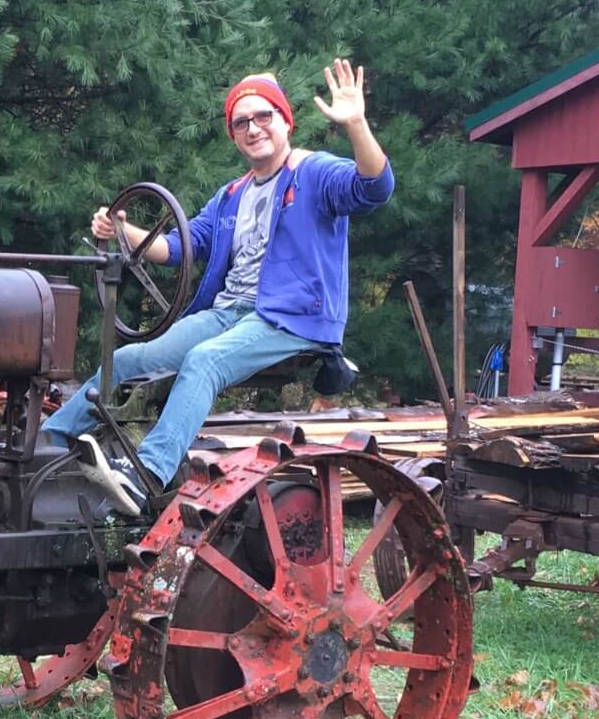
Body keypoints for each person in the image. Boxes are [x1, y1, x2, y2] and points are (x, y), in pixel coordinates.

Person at [41, 59, 394, 514]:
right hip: (230, 313)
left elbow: (375, 188)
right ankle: (47, 446)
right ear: (234, 135)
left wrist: (357, 123)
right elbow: (175, 247)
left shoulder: (314, 173)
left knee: (204, 362)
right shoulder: (231, 195)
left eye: (263, 116)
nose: (253, 128)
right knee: (127, 360)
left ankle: (146, 473)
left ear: (285, 120)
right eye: (241, 122)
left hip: (291, 318)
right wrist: (121, 231)